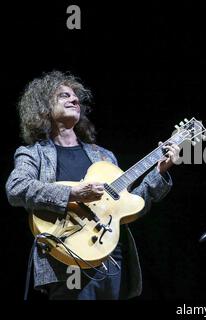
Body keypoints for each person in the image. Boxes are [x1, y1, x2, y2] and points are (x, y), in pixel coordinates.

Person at [5, 71, 181, 300]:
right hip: (67, 254)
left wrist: (159, 171)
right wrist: (73, 193)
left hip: (111, 256)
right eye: (63, 96)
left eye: (76, 97)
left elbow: (130, 207)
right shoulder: (34, 153)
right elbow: (16, 188)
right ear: (44, 107)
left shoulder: (104, 157)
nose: (75, 100)